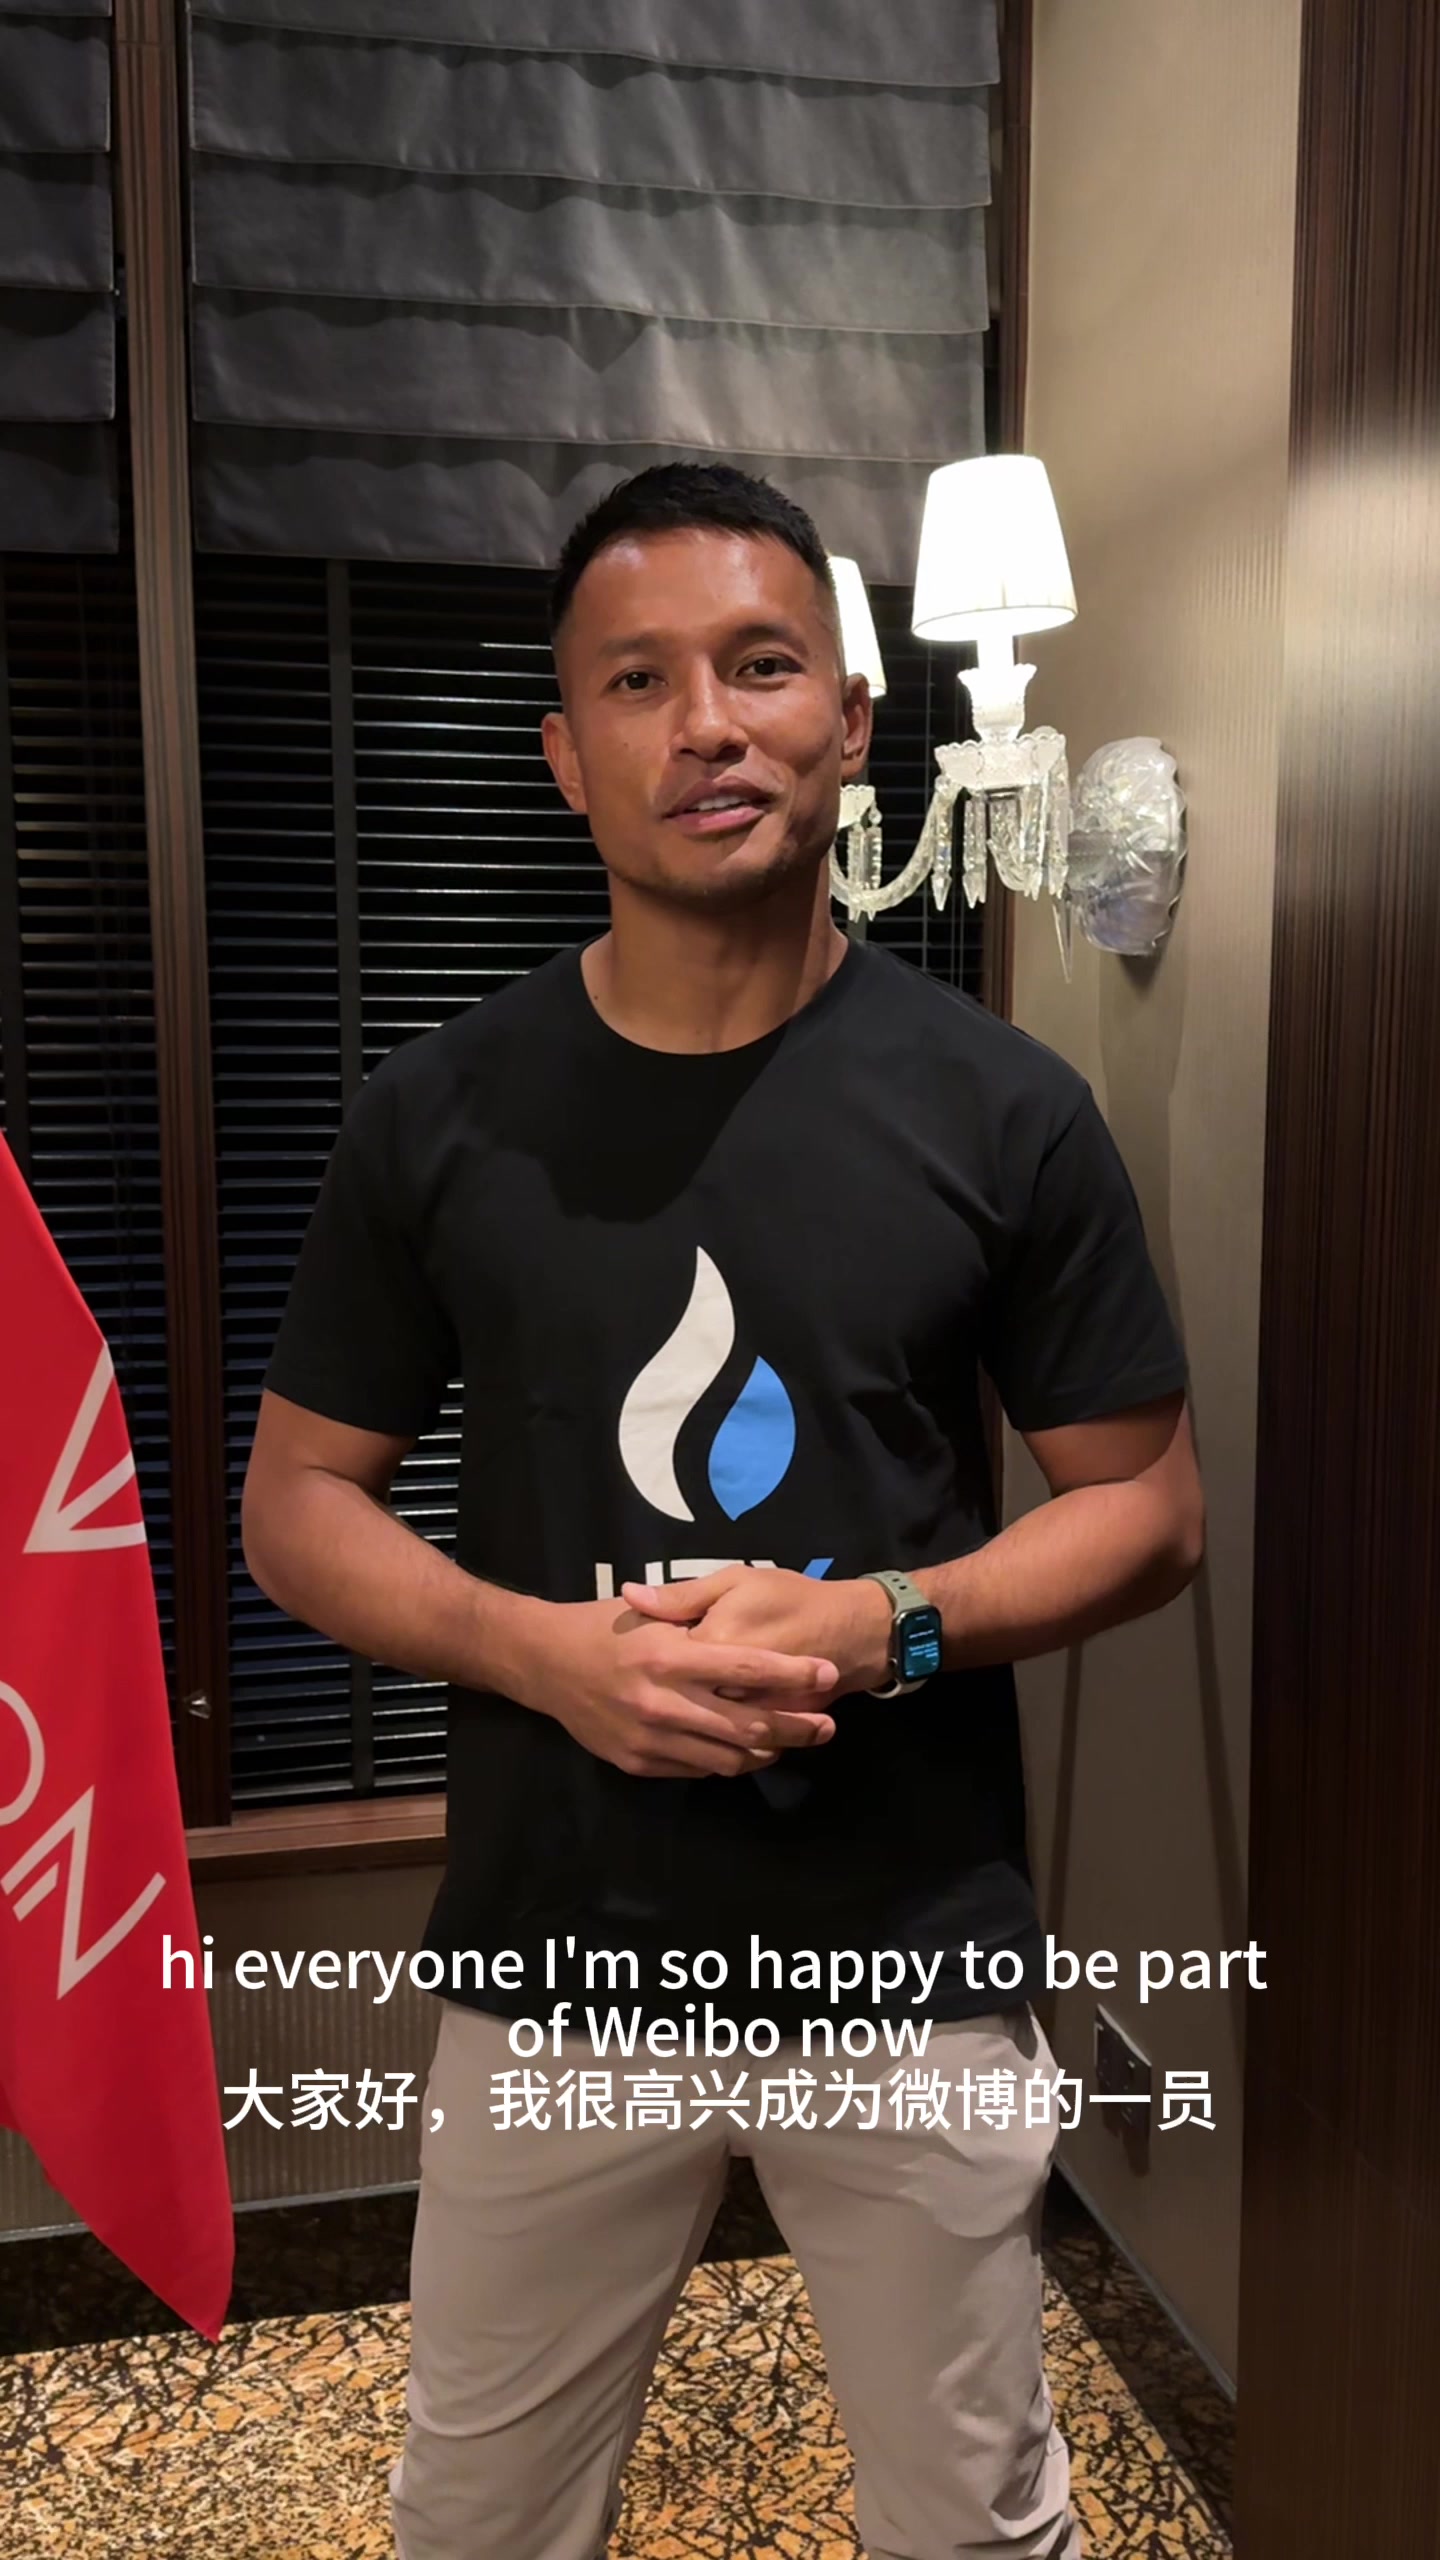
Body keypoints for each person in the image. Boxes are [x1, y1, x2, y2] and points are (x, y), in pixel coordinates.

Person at [242, 461, 1203, 2560]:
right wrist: (537, 1652)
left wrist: (893, 1622)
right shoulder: (437, 1114)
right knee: (481, 2517)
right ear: (565, 754)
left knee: (976, 2519)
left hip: (906, 1955)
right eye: (640, 680)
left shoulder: (1003, 1108)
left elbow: (1146, 1505)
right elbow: (297, 1505)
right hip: (557, 1955)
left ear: (849, 723)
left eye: (762, 667)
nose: (707, 725)